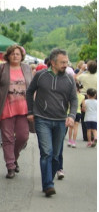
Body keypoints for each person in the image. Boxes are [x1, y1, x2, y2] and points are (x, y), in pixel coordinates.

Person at [26, 48, 77, 197]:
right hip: (42, 119)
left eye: (66, 62)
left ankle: (49, 179)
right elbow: (29, 92)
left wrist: (72, 115)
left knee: (55, 155)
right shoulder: (41, 76)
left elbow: (74, 99)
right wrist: (30, 111)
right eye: (62, 62)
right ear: (53, 63)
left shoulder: (69, 79)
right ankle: (48, 184)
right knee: (46, 153)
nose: (65, 65)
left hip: (61, 121)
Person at [0, 44, 33, 179]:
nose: (15, 56)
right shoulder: (2, 68)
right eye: (13, 53)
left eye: (18, 54)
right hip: (6, 107)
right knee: (7, 139)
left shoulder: (26, 68)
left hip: (23, 108)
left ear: (22, 56)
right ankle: (10, 167)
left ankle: (13, 158)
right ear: (8, 55)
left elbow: (32, 89)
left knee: (23, 137)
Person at [77, 60, 97, 142]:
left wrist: (81, 70)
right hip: (96, 95)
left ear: (87, 68)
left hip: (85, 95)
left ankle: (86, 135)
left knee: (84, 115)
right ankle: (94, 133)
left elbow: (75, 77)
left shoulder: (83, 76)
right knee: (95, 114)